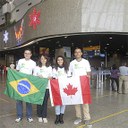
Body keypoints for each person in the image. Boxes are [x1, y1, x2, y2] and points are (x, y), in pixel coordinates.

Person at [69, 48, 91, 125]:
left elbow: (88, 72)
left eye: (79, 52)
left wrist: (88, 77)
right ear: (74, 54)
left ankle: (87, 118)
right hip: (75, 85)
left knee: (85, 102)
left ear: (81, 53)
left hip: (84, 84)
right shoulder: (72, 63)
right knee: (76, 102)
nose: (77, 53)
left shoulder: (86, 62)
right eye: (76, 52)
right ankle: (78, 117)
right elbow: (69, 73)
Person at [15, 49, 36, 123]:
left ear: (31, 55)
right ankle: (19, 116)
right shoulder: (20, 61)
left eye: (28, 53)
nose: (27, 54)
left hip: (28, 84)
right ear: (24, 54)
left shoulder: (33, 63)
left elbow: (34, 73)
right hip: (20, 83)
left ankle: (29, 116)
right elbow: (17, 71)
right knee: (18, 100)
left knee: (28, 101)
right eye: (26, 53)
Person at [33, 55, 52, 123]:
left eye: (44, 59)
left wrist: (49, 77)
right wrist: (38, 76)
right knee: (39, 102)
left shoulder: (49, 67)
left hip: (47, 87)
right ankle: (39, 115)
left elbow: (51, 76)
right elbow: (34, 77)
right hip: (39, 88)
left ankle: (44, 116)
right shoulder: (37, 67)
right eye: (42, 58)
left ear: (47, 60)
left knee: (45, 102)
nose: (43, 60)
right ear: (40, 60)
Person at [52, 56, 68, 125]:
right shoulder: (54, 69)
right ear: (56, 61)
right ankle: (57, 117)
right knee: (57, 103)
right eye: (58, 60)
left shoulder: (67, 69)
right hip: (57, 88)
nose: (60, 61)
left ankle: (61, 117)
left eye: (61, 60)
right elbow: (53, 79)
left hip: (65, 88)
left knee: (64, 103)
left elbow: (70, 78)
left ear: (63, 60)